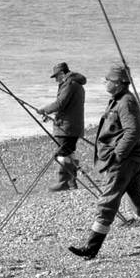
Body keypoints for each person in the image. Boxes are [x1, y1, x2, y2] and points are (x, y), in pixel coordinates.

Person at [68, 64, 140, 259]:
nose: (105, 83)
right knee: (138, 199)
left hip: (125, 160)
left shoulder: (126, 102)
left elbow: (132, 131)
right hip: (131, 158)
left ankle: (92, 247)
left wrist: (118, 155)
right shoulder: (120, 100)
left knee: (108, 200)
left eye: (108, 80)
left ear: (119, 84)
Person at [38, 61, 86, 191]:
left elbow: (60, 104)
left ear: (62, 73)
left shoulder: (69, 85)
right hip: (71, 125)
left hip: (67, 128)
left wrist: (45, 110)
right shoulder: (75, 84)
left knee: (62, 154)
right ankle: (71, 182)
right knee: (69, 152)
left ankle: (62, 182)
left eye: (56, 77)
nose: (56, 80)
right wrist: (53, 115)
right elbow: (67, 107)